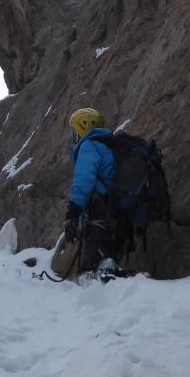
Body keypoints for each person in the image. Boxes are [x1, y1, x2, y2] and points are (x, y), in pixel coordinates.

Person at [62, 107, 131, 279]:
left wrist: (74, 209)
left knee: (93, 263)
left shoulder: (89, 145)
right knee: (108, 256)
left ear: (82, 128)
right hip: (117, 209)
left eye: (75, 131)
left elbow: (84, 180)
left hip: (100, 208)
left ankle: (93, 291)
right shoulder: (108, 145)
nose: (73, 136)